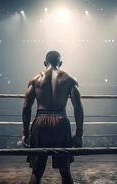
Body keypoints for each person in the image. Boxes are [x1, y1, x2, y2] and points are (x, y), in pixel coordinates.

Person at [22, 50, 84, 184]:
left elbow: (26, 107)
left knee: (37, 171)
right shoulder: (69, 79)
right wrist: (79, 133)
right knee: (65, 171)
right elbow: (78, 106)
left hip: (40, 121)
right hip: (61, 122)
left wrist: (26, 133)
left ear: (45, 63)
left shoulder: (35, 79)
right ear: (60, 63)